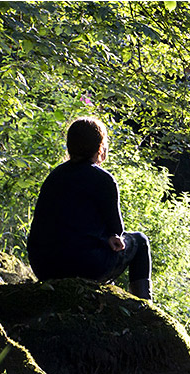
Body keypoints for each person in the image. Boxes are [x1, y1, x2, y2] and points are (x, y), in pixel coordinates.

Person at [28, 116, 152, 300]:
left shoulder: (54, 176)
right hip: (86, 266)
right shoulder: (103, 179)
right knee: (140, 241)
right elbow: (118, 229)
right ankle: (145, 307)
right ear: (99, 147)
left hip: (44, 266)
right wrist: (110, 236)